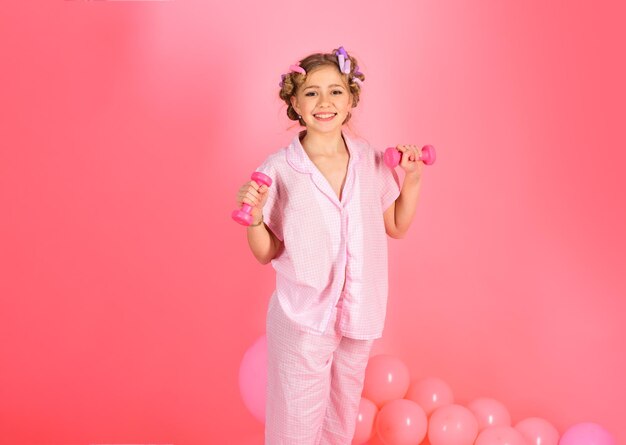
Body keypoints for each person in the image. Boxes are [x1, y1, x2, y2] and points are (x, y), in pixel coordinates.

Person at [235, 46, 425, 445]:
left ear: (351, 99)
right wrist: (254, 220)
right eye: (311, 92)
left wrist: (413, 179)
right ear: (294, 104)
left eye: (335, 91)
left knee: (339, 424)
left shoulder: (372, 161)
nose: (325, 102)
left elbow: (395, 226)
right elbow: (265, 251)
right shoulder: (279, 170)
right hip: (303, 318)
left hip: (358, 315)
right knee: (296, 428)